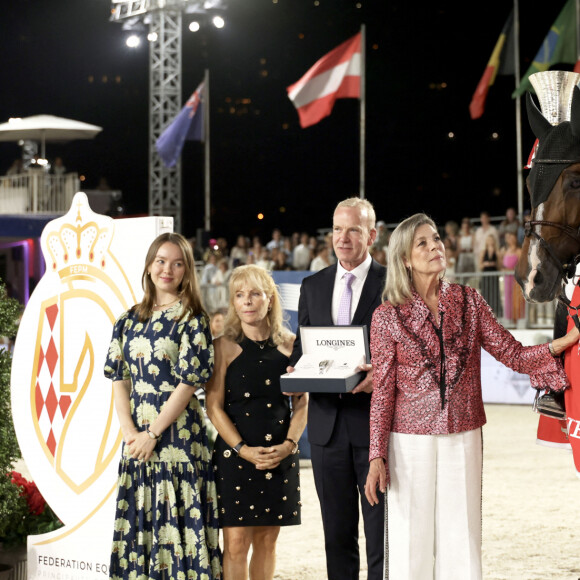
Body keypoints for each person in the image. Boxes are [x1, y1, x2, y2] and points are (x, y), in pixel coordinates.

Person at [364, 213, 577, 580]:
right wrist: (376, 455)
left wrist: (560, 344)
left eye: (436, 239)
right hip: (407, 441)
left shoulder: (469, 300)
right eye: (423, 243)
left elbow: (512, 354)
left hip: (464, 436)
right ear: (404, 259)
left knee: (462, 538)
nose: (435, 247)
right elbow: (382, 391)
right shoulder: (386, 316)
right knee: (408, 539)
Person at [103, 232, 222, 579]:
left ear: (187, 271)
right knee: (143, 527)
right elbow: (119, 379)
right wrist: (131, 434)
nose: (167, 269)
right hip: (137, 442)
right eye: (161, 261)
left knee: (178, 530)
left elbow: (188, 383)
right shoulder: (126, 320)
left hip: (179, 441)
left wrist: (152, 433)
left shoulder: (192, 318)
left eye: (177, 263)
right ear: (149, 266)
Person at [289, 197, 386, 580]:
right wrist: (296, 368)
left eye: (353, 230)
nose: (342, 238)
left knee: (381, 536)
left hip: (375, 430)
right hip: (326, 430)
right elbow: (302, 346)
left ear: (372, 235)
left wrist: (381, 374)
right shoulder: (313, 285)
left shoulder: (393, 282)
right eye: (336, 229)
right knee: (336, 537)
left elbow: (405, 350)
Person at [206, 265, 307, 580]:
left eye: (254, 294)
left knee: (267, 539)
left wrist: (289, 446)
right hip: (236, 457)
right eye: (239, 295)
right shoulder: (222, 346)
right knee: (235, 544)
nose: (247, 301)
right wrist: (242, 449)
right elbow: (213, 406)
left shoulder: (291, 346)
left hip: (279, 455)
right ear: (233, 303)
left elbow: (303, 402)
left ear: (270, 299)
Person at [501, 231, 525, 324]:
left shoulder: (518, 251)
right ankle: (509, 320)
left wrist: (510, 269)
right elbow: (502, 266)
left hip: (515, 279)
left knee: (516, 299)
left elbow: (521, 265)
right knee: (508, 298)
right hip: (507, 279)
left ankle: (518, 320)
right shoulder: (504, 251)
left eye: (511, 237)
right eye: (508, 237)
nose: (510, 239)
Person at [479, 233, 502, 316]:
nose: (490, 241)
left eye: (491, 240)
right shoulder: (483, 252)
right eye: (488, 240)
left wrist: (494, 263)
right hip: (485, 275)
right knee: (485, 293)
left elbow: (499, 266)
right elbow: (480, 265)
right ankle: (485, 313)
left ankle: (496, 313)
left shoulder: (497, 252)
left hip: (494, 275)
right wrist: (486, 264)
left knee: (494, 293)